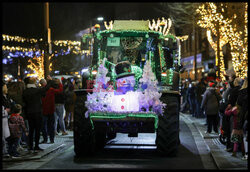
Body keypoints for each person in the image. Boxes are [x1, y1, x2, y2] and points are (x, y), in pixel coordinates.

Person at [22, 77, 51, 152]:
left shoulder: (25, 91)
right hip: (37, 112)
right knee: (37, 129)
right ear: (34, 83)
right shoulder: (37, 90)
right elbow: (46, 88)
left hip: (29, 112)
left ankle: (30, 146)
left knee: (31, 130)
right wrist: (50, 80)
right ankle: (36, 146)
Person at [40, 76, 63, 144]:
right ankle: (51, 139)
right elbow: (60, 91)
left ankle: (45, 139)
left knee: (44, 126)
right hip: (50, 110)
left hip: (43, 110)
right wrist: (60, 84)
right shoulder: (51, 89)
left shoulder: (40, 90)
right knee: (51, 125)